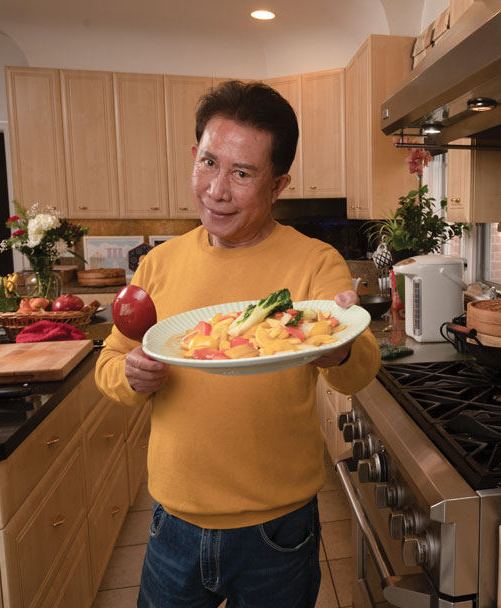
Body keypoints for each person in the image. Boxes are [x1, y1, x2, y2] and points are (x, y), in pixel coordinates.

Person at [95, 80, 381, 608]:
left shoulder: (315, 263)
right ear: (194, 156)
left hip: (278, 529)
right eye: (208, 162)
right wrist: (131, 376)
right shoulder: (157, 265)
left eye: (242, 173)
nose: (216, 189)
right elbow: (111, 362)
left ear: (277, 186)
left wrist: (338, 346)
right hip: (173, 525)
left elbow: (359, 369)